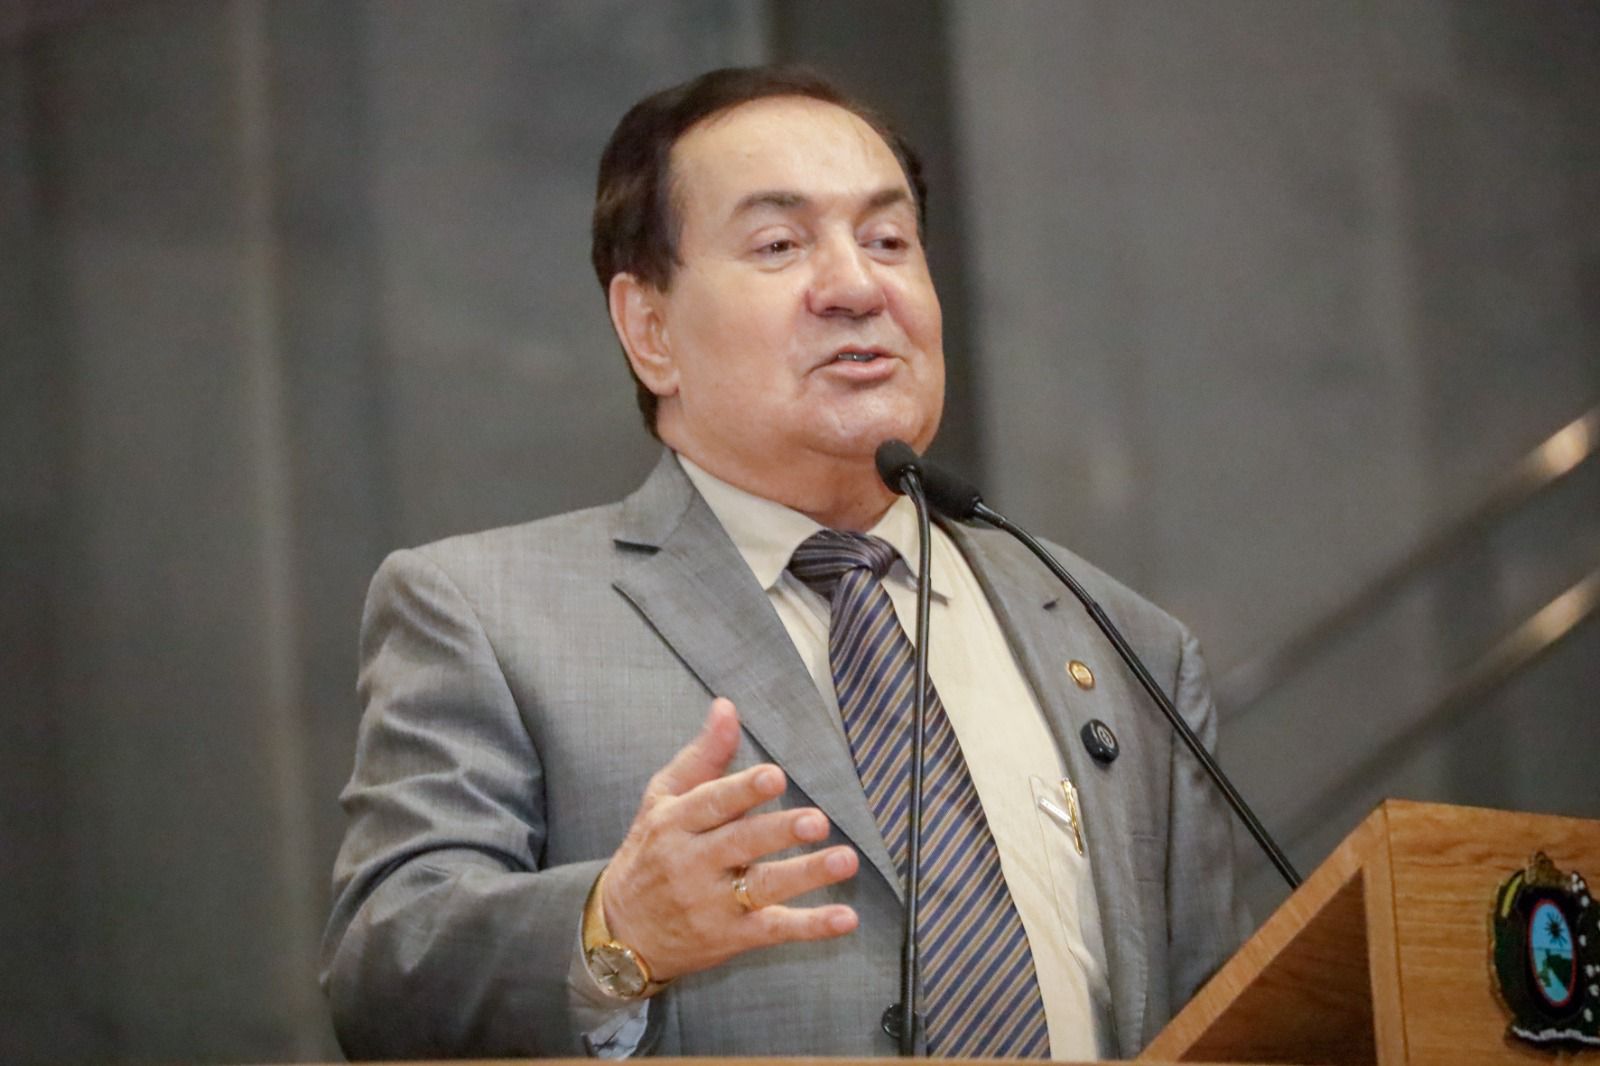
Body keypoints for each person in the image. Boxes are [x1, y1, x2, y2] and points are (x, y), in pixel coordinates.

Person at [321, 65, 1248, 1061]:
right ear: (649, 329)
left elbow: (1231, 1017)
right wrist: (615, 930)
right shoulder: (486, 613)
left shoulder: (1122, 641)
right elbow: (386, 979)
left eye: (888, 241)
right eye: (778, 244)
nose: (857, 287)